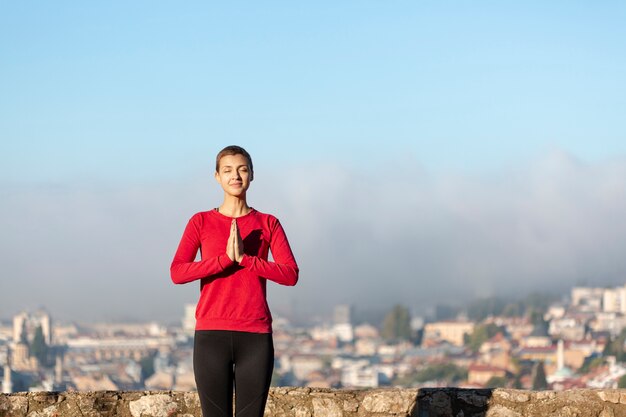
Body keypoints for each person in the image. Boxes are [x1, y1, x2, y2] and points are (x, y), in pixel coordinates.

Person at [170, 145, 299, 417]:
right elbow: (177, 272)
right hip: (210, 336)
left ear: (251, 175)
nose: (235, 176)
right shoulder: (201, 221)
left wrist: (246, 260)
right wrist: (224, 260)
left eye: (242, 169)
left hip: (255, 337)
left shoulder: (268, 223)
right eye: (227, 170)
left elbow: (290, 274)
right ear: (217, 177)